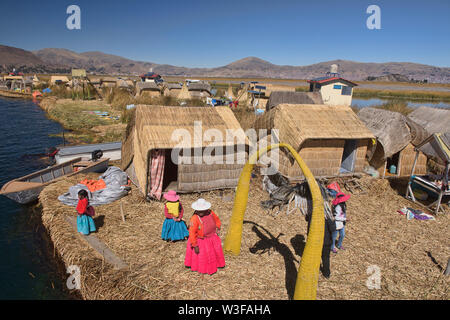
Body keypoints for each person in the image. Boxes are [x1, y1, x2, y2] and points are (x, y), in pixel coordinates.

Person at [184, 198, 225, 275]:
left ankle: (217, 264)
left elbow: (216, 219)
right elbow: (192, 232)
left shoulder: (210, 213)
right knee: (203, 255)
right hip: (201, 240)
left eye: (203, 210)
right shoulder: (195, 218)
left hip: (212, 237)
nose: (201, 212)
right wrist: (195, 245)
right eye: (199, 210)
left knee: (214, 251)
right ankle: (203, 268)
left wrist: (218, 226)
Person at [305, 210, 336, 279]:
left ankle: (313, 271)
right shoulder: (327, 215)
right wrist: (333, 220)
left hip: (314, 240)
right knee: (325, 257)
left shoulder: (312, 212)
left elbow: (306, 218)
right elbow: (333, 228)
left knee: (314, 256)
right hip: (325, 240)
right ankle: (326, 273)